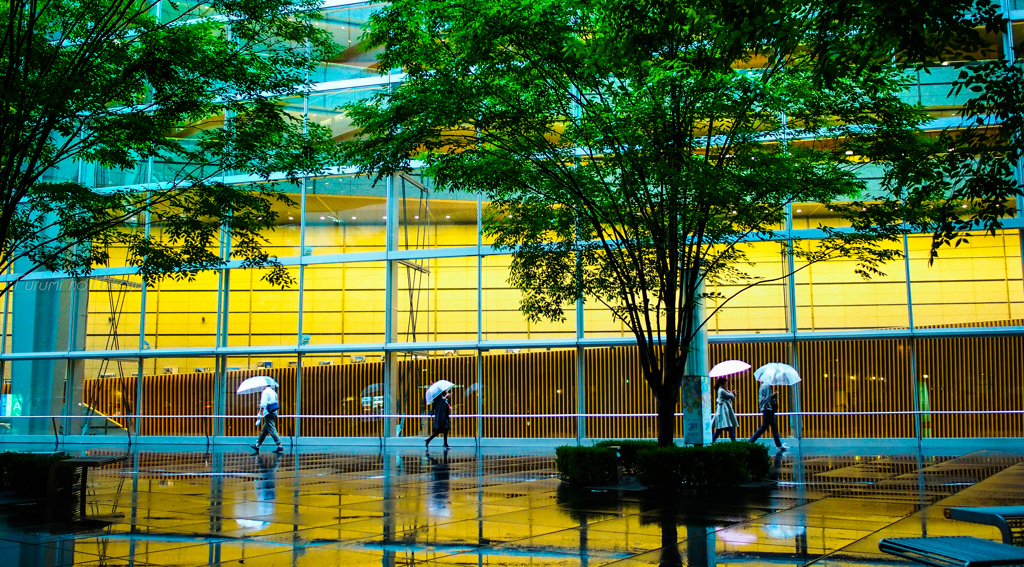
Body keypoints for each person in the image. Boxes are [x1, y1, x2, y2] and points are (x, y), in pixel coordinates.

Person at [749, 380, 788, 450]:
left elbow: (766, 398)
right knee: (764, 427)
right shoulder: (766, 386)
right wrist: (773, 399)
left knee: (774, 427)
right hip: (767, 409)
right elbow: (767, 399)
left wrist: (773, 395)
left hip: (766, 409)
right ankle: (751, 441)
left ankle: (779, 445)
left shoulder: (763, 385)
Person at [250, 384, 283, 453]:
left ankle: (279, 445)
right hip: (274, 412)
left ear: (265, 386)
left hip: (268, 413)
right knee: (265, 430)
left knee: (271, 428)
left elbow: (264, 404)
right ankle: (257, 445)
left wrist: (259, 411)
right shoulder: (274, 392)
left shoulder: (265, 392)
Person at [711, 377, 739, 442]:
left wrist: (732, 394)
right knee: (727, 429)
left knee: (720, 430)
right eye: (726, 383)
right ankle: (734, 442)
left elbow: (730, 399)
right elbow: (731, 396)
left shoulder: (724, 390)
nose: (727, 385)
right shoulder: (721, 391)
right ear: (722, 384)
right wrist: (733, 394)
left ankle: (711, 441)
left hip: (725, 413)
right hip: (722, 413)